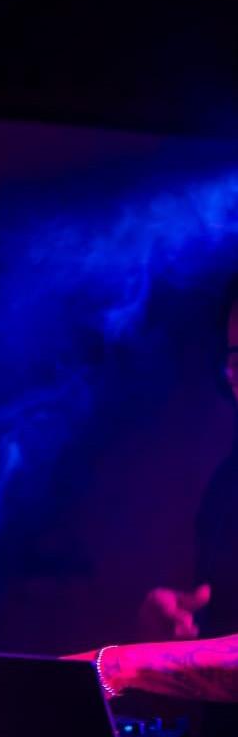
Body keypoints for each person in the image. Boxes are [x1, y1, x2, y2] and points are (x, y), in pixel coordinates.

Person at [75, 277, 238, 706]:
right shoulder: (228, 482)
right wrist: (179, 628)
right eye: (234, 357)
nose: (232, 376)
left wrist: (122, 665)